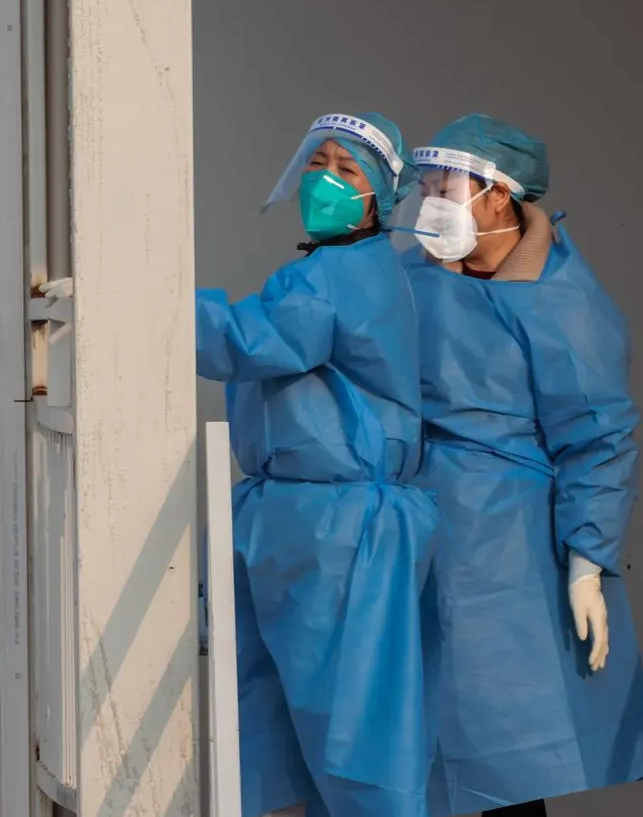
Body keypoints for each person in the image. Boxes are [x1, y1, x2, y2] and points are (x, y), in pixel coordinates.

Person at [404, 114, 643, 816]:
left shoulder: (561, 301)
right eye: (424, 184)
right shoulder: (414, 279)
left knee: (501, 766)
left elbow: (600, 438)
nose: (432, 200)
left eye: (446, 184)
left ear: (498, 196)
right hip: (407, 543)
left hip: (507, 566)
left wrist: (586, 563)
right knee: (405, 762)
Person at [197, 113, 438, 817]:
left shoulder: (343, 274)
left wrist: (146, 304)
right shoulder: (324, 271)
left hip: (338, 534)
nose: (326, 177)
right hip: (296, 522)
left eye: (348, 168)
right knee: (269, 735)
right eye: (318, 160)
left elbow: (252, 339)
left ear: (381, 199)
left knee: (349, 738)